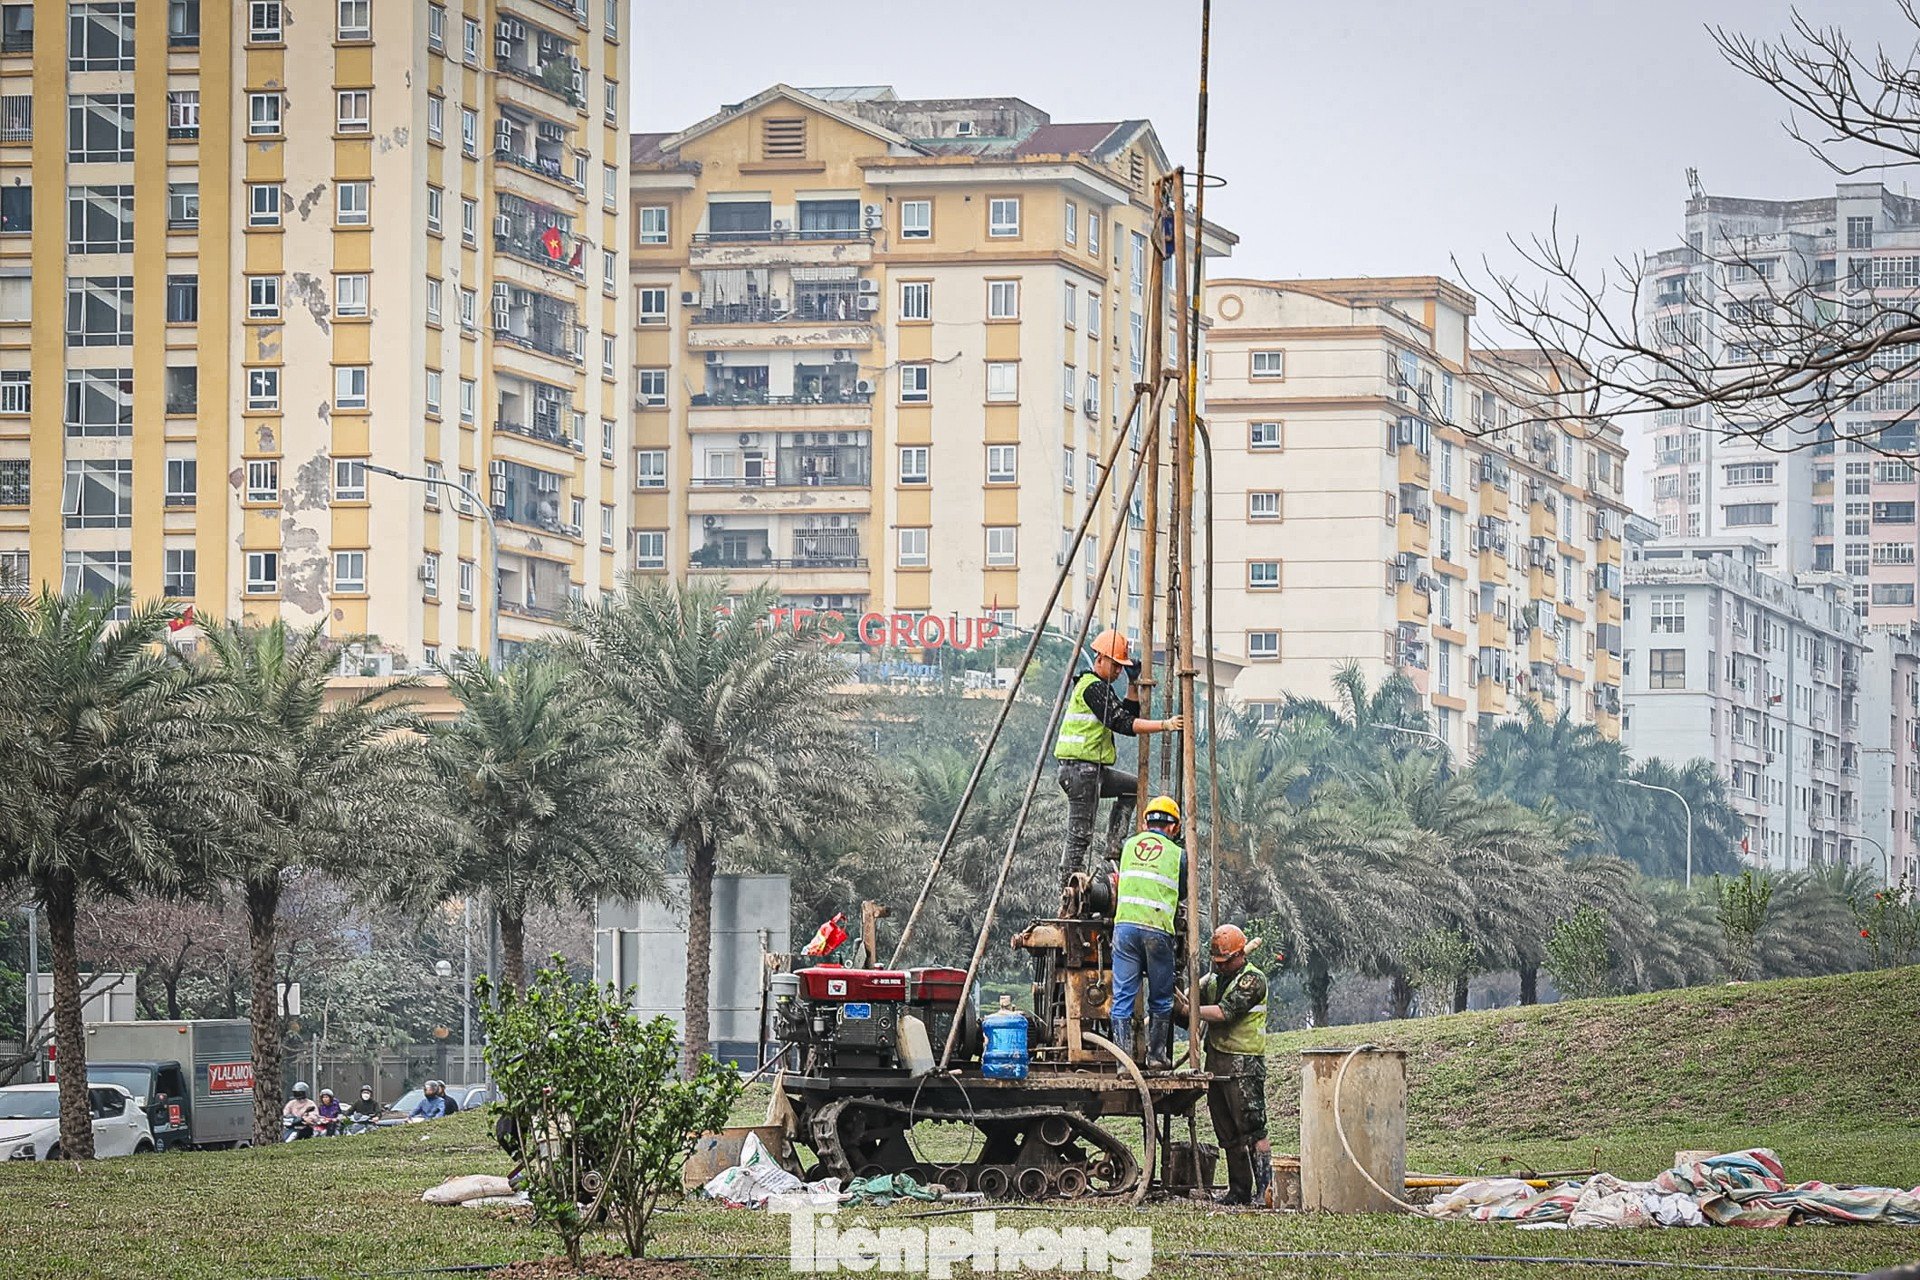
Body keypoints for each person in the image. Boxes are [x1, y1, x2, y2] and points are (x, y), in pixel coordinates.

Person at [1054, 629, 1184, 877]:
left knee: (1135, 787)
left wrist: (1133, 685)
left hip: (1094, 770)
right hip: (1080, 771)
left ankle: (1114, 848)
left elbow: (1127, 712)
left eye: (1120, 667)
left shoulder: (1102, 688)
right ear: (1100, 658)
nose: (1117, 671)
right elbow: (1122, 722)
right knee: (1080, 834)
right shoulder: (1092, 688)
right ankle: (1069, 885)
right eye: (1115, 665)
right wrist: (1164, 725)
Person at [1184, 924, 1272, 1205]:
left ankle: (1265, 1189)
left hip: (1244, 1063)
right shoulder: (1213, 980)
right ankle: (1239, 1190)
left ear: (1239, 955)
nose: (1220, 967)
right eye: (1217, 962)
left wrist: (1190, 1010)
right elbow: (1190, 998)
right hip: (1217, 1061)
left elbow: (1225, 1012)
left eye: (1225, 962)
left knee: (1252, 1127)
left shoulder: (1252, 980)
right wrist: (1181, 1002)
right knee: (1227, 1131)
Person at [1108, 795, 1185, 1071]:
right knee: (1161, 995)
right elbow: (1183, 892)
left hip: (1124, 929)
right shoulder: (1177, 855)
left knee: (1123, 996)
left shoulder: (1129, 846)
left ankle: (1122, 1061)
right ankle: (1155, 1057)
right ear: (1174, 827)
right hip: (1157, 931)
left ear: (1144, 822)